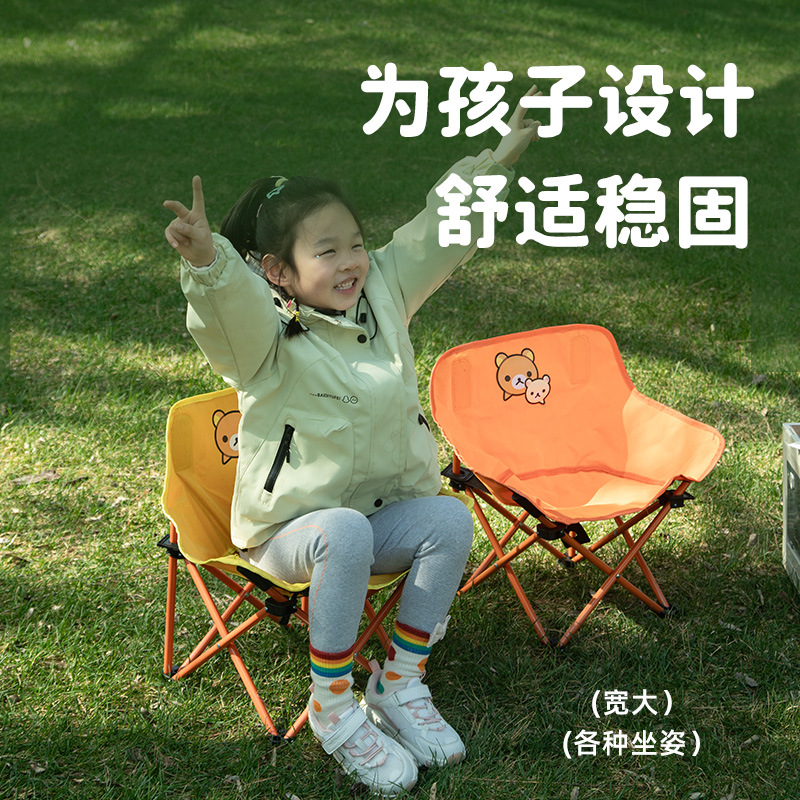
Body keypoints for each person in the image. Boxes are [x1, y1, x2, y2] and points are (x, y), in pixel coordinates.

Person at [163, 87, 542, 796]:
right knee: (341, 531)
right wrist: (210, 262)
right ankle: (333, 704)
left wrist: (498, 161)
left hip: (375, 517)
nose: (351, 262)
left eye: (356, 244)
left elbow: (436, 233)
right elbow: (228, 312)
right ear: (277, 271)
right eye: (326, 250)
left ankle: (400, 680)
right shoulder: (262, 336)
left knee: (448, 518)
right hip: (288, 533)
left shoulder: (383, 295)